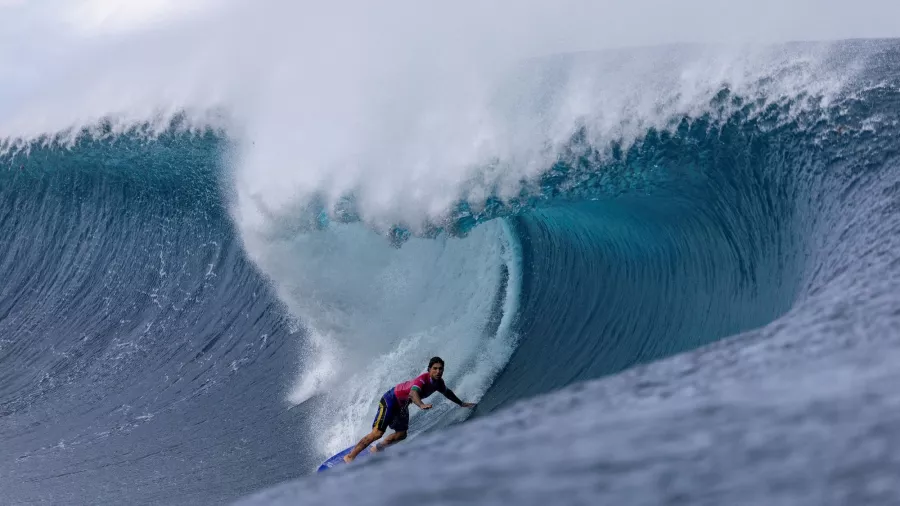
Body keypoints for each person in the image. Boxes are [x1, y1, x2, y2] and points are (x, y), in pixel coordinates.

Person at [343, 356, 476, 463]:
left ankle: (377, 449)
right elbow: (413, 393)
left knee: (402, 434)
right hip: (390, 400)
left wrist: (461, 403)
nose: (438, 371)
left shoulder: (439, 383)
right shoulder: (422, 380)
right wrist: (421, 404)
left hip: (402, 406)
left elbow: (448, 393)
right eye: (435, 368)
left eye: (441, 369)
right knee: (377, 433)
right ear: (429, 369)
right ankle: (350, 457)